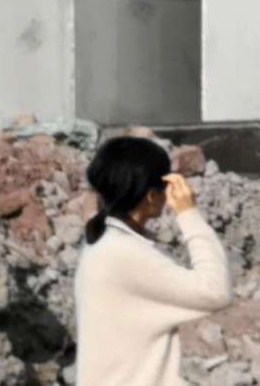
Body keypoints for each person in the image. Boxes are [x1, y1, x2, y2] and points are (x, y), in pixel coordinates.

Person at [74, 137, 232, 386]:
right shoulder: (122, 253)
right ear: (151, 195)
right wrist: (188, 213)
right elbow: (216, 291)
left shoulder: (106, 242)